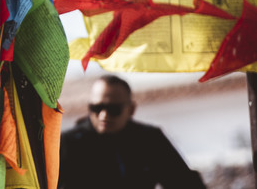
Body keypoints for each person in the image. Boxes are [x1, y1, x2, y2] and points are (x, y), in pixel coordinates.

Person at [59, 75, 206, 189]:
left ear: (131, 109)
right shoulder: (69, 143)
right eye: (96, 108)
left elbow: (186, 184)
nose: (104, 115)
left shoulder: (150, 140)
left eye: (113, 109)